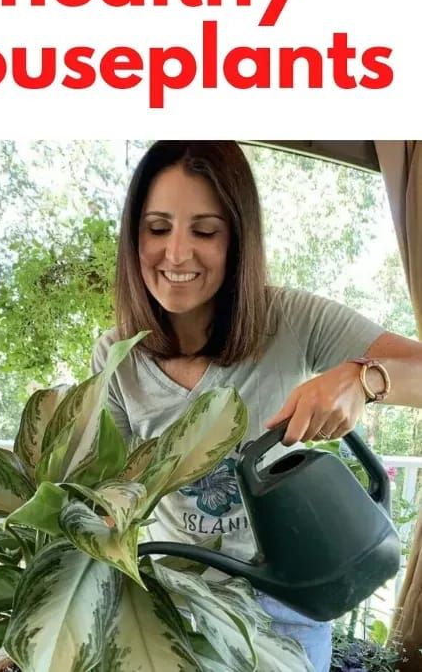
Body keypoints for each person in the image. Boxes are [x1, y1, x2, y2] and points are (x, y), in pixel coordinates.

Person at [91, 141, 422, 672]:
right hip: (175, 606)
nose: (176, 254)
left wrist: (364, 378)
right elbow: (106, 492)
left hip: (284, 610)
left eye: (204, 230)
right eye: (157, 228)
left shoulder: (290, 319)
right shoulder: (116, 353)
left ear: (238, 239)